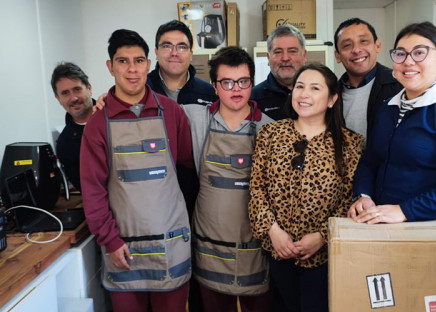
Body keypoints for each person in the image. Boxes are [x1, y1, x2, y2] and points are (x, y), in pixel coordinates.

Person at [80, 29, 193, 312]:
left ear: (148, 64)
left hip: (171, 246)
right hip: (124, 249)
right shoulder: (98, 123)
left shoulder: (171, 112)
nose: (132, 69)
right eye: (123, 61)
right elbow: (92, 190)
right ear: (110, 66)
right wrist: (110, 240)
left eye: (139, 61)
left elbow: (188, 165)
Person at [348, 22, 436, 234]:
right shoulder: (389, 107)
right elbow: (371, 161)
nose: (408, 62)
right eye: (400, 54)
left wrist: (404, 211)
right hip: (385, 229)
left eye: (419, 53)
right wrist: (363, 196)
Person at [249, 63, 364, 312]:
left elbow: (349, 201)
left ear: (332, 99)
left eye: (314, 88)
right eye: (299, 87)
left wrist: (322, 236)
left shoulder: (350, 144)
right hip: (277, 250)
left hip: (324, 256)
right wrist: (273, 230)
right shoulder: (270, 134)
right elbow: (257, 188)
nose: (304, 94)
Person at [182, 46, 273, 312]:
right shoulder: (193, 118)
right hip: (210, 246)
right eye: (227, 82)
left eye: (243, 81)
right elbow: (152, 107)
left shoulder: (270, 128)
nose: (236, 89)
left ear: (252, 83)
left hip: (254, 248)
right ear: (214, 86)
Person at [334, 17, 436, 139]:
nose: (356, 50)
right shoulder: (331, 94)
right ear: (337, 55)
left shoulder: (403, 84)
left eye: (363, 41)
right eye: (347, 45)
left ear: (377, 46)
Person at [147, 20, 218, 105]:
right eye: (166, 46)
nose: (174, 53)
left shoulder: (209, 93)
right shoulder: (142, 89)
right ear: (156, 52)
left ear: (191, 54)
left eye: (182, 47)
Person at [51, 62, 94, 192]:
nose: (74, 98)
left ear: (89, 88)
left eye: (77, 89)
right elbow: (85, 189)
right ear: (58, 98)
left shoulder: (115, 117)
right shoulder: (65, 143)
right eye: (65, 93)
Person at [251, 24, 307, 121]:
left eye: (292, 51)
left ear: (304, 56)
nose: (285, 58)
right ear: (268, 58)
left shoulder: (318, 95)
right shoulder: (253, 99)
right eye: (278, 52)